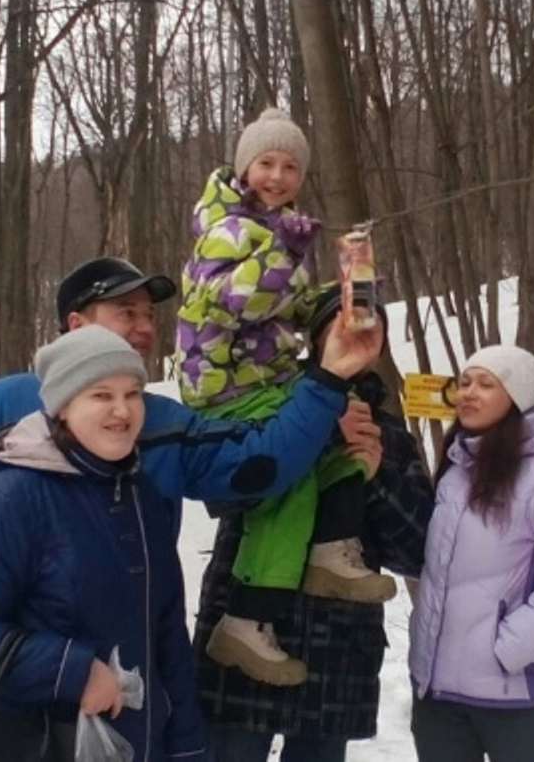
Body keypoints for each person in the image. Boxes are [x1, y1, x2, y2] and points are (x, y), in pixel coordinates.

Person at [0, 255, 385, 712]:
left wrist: (327, 380)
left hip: (128, 685)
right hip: (10, 690)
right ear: (76, 324)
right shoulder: (2, 407)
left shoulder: (159, 421)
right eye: (126, 312)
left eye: (149, 315)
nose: (145, 328)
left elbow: (258, 465)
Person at [175, 107, 393, 687]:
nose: (277, 176)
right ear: (245, 167)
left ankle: (327, 550)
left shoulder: (277, 228)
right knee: (293, 465)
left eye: (291, 167)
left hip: (263, 378)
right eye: (267, 163)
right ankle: (248, 615)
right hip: (223, 383)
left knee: (337, 424)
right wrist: (284, 253)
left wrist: (345, 296)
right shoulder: (226, 229)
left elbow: (287, 308)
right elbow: (233, 303)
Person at [0, 326, 203, 760]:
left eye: (133, 394)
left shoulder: (143, 498)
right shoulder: (6, 500)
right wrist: (73, 671)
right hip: (34, 743)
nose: (122, 410)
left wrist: (189, 747)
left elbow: (167, 635)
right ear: (62, 407)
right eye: (101, 395)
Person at [191, 287, 434, 762]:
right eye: (347, 322)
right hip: (244, 633)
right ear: (318, 335)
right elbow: (219, 494)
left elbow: (418, 550)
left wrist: (373, 476)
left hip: (337, 649)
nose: (360, 334)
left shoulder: (391, 436)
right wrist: (313, 437)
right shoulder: (263, 408)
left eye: (373, 328)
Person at [407, 345, 534, 762]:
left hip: (515, 701)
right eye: (464, 383)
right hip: (438, 697)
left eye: (486, 384)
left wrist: (507, 648)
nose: (468, 393)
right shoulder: (456, 471)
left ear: (516, 396)